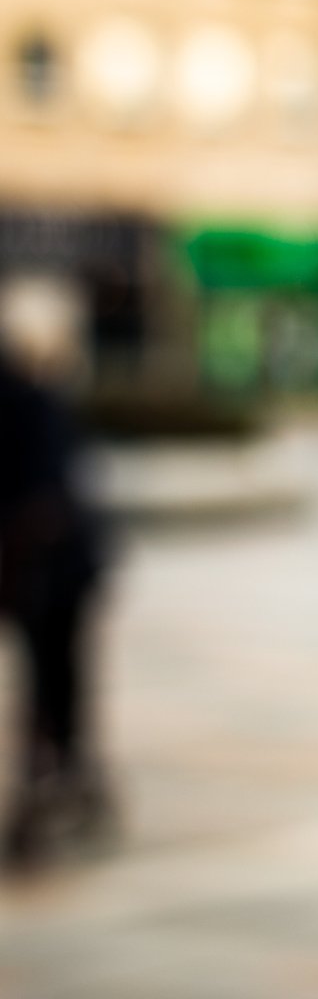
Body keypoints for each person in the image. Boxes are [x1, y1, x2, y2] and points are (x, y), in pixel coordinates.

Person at [0, 275, 114, 872]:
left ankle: (58, 782)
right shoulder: (35, 396)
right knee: (56, 686)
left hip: (48, 567)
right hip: (44, 566)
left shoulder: (37, 396)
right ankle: (63, 778)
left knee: (54, 686)